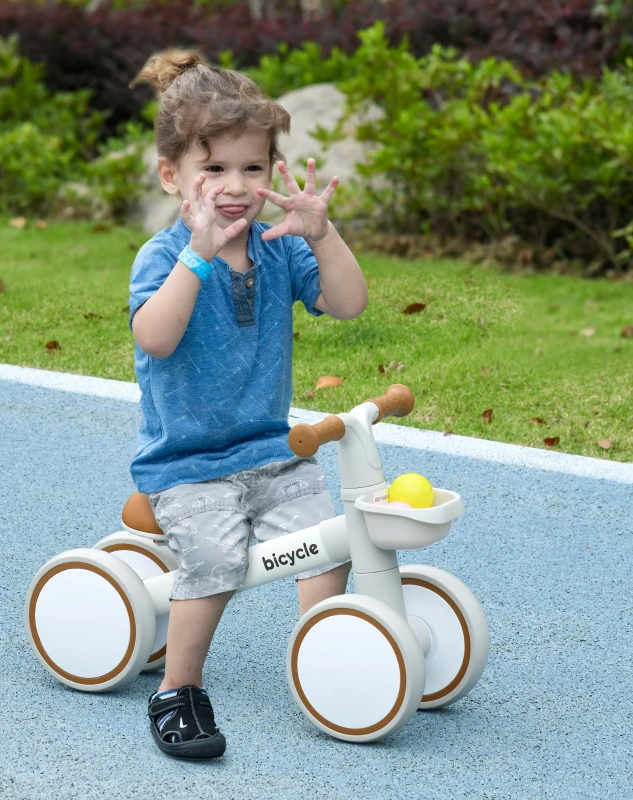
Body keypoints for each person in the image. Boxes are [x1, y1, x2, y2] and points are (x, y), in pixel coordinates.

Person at [128, 48, 369, 760]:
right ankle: (178, 688)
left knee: (330, 542)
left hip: (271, 450)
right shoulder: (164, 256)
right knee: (214, 560)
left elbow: (349, 305)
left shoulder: (278, 247)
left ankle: (322, 660)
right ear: (173, 175)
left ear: (271, 172)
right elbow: (156, 337)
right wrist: (197, 256)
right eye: (214, 169)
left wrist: (323, 235)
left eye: (252, 168)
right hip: (188, 463)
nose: (235, 186)